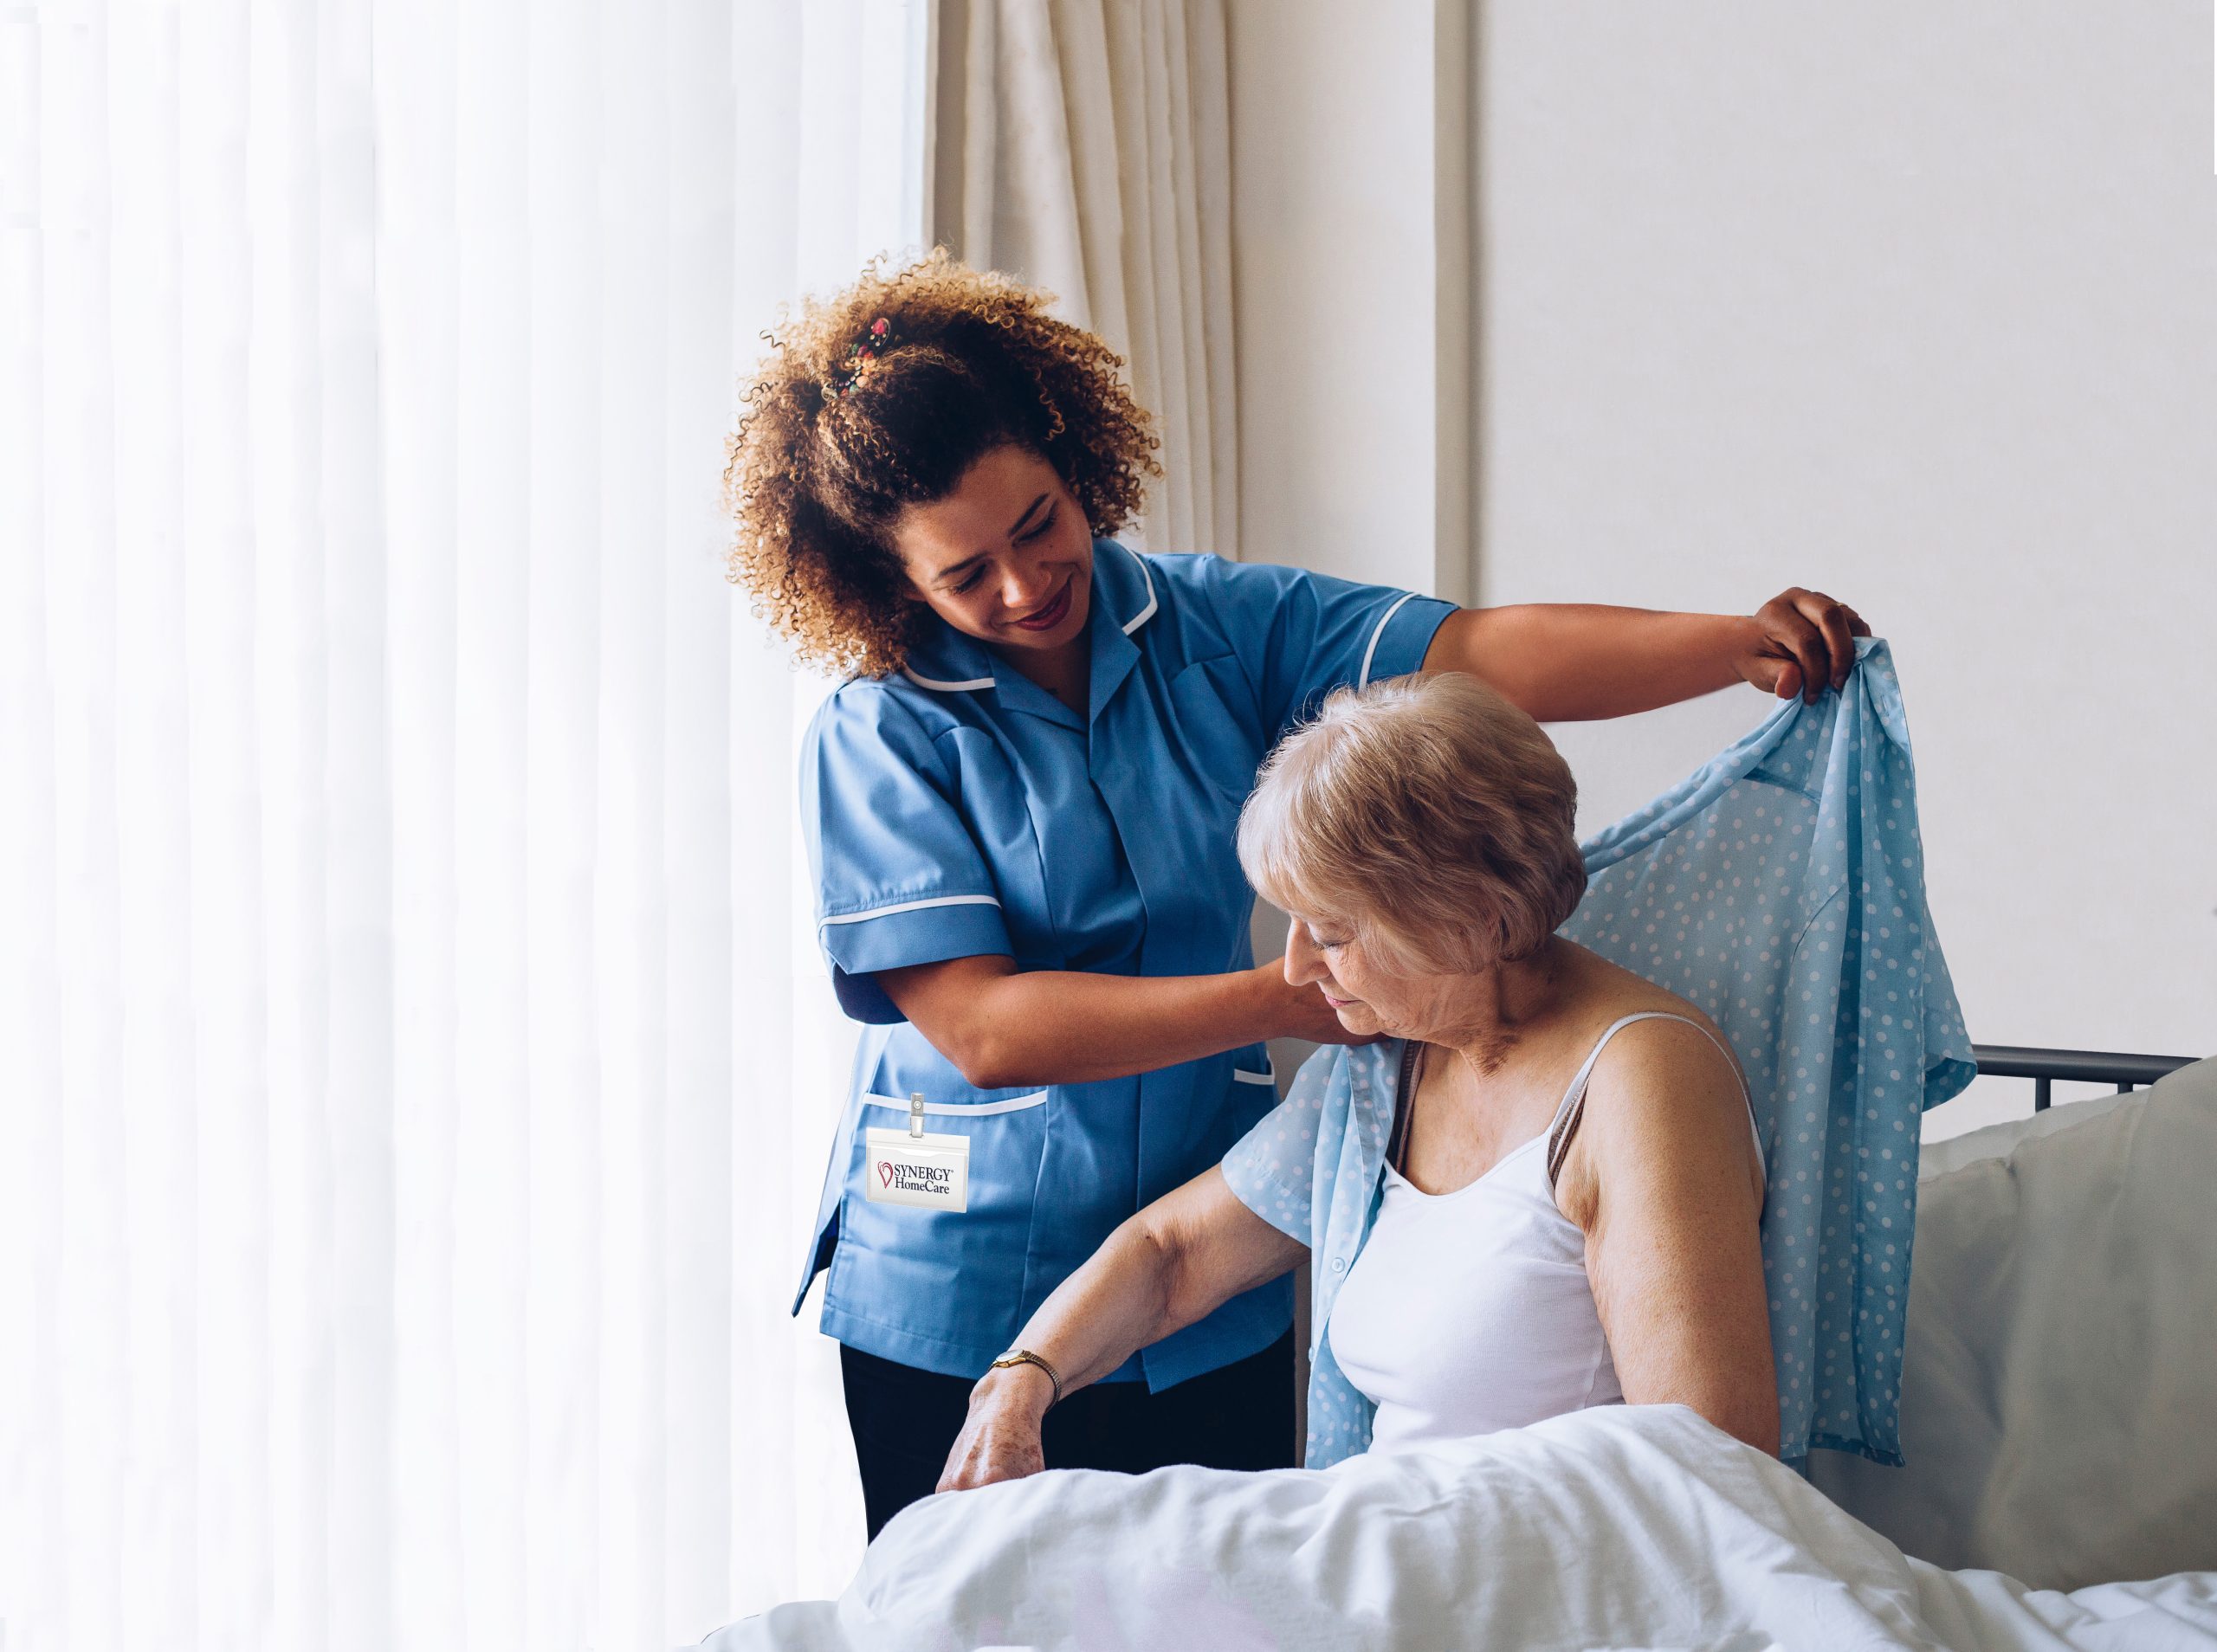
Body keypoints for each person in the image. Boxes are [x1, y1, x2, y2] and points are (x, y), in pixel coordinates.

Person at [722, 253, 1854, 1538]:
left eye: (1037, 526)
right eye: (965, 575)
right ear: (891, 583)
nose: (1025, 586)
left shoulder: (1217, 625)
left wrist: (1730, 645)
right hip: (958, 1278)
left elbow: (1478, 653)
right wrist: (1298, 993)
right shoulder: (879, 734)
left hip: (1206, 1274)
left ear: (1073, 461)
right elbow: (985, 1030)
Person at [938, 672, 1774, 1494]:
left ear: (1472, 917)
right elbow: (1174, 1253)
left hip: (1547, 1564)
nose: (1296, 967)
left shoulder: (1641, 1083)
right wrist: (1022, 1377)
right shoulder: (1385, 1065)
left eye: (1332, 934)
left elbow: (1711, 1476)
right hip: (1396, 1541)